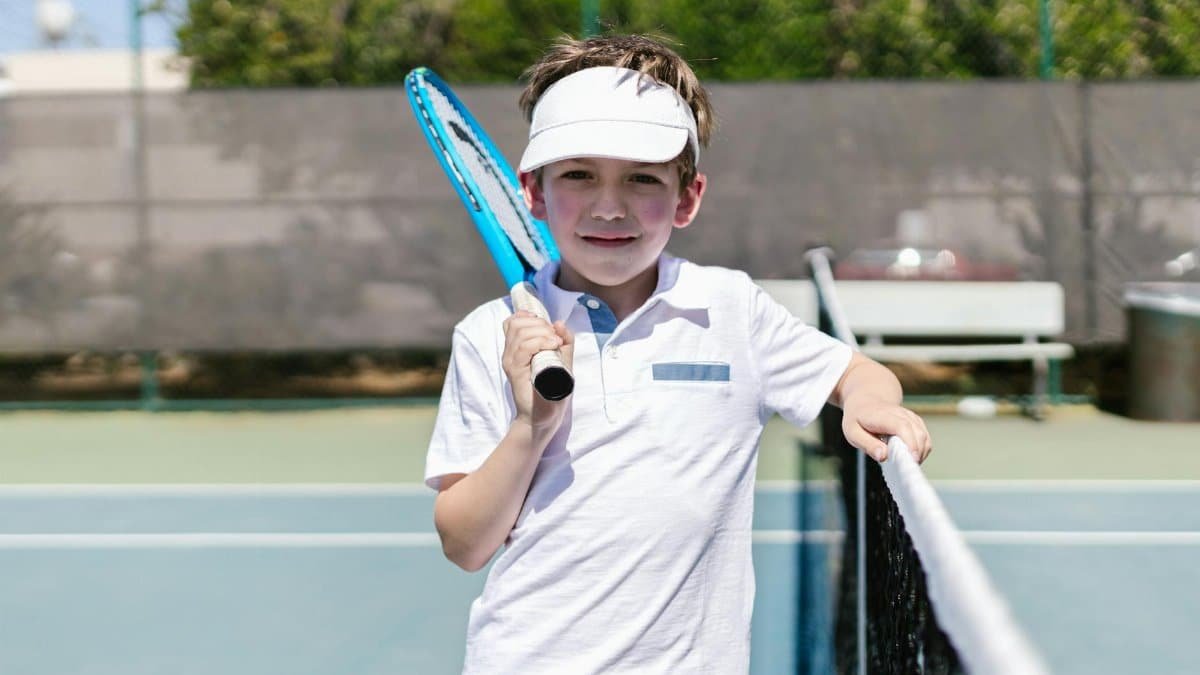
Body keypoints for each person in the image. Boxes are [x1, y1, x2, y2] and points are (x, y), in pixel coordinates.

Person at [425, 33, 932, 674]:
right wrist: (532, 424)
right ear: (534, 192)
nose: (610, 206)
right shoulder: (488, 334)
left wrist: (868, 402)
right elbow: (465, 545)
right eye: (579, 175)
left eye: (642, 179)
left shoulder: (732, 309)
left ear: (687, 198)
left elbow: (860, 374)